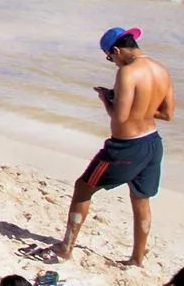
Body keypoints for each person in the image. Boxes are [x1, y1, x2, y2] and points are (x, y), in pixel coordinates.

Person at [55, 27, 175, 267]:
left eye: (111, 58)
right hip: (152, 143)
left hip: (124, 148)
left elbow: (119, 118)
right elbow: (167, 113)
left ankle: (66, 248)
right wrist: (136, 105)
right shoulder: (161, 69)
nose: (113, 63)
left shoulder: (127, 73)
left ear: (117, 51)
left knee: (83, 188)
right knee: (141, 200)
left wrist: (106, 100)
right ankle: (137, 258)